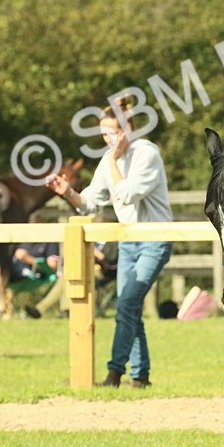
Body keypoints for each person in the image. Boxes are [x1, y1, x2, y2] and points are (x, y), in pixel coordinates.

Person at [46, 98, 173, 388]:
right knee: (130, 306)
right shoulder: (108, 160)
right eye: (104, 134)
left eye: (113, 133)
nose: (108, 140)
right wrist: (68, 193)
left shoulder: (146, 154)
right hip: (128, 241)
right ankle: (140, 376)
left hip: (154, 239)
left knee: (127, 302)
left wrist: (114, 161)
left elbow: (127, 194)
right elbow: (90, 203)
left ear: (128, 128)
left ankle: (114, 373)